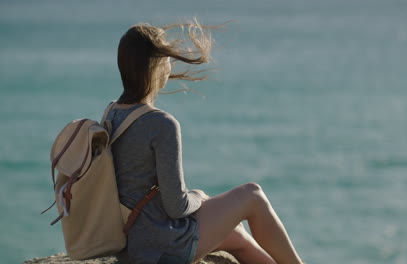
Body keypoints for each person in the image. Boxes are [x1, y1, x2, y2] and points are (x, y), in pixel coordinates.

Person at [107, 20, 304, 264]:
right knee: (252, 194)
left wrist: (197, 196)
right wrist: (199, 199)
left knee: (238, 237)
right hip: (161, 246)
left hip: (132, 245)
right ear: (157, 65)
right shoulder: (160, 124)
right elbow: (176, 207)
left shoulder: (112, 114)